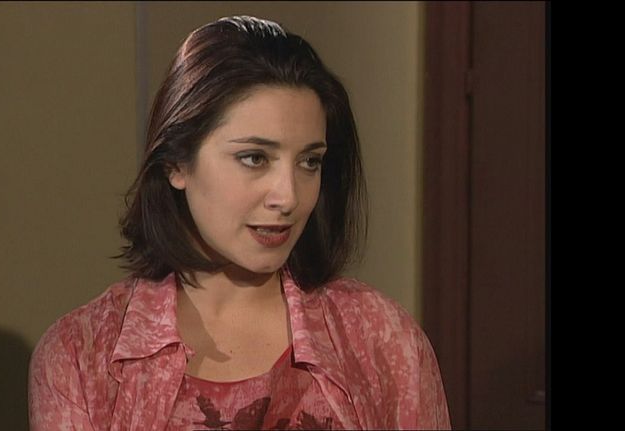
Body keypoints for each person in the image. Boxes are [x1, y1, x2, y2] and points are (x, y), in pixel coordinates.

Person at [28, 15, 451, 430]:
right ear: (177, 163)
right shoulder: (81, 355)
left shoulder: (381, 338)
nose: (288, 197)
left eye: (309, 161)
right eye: (254, 158)